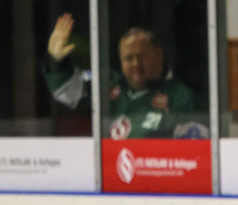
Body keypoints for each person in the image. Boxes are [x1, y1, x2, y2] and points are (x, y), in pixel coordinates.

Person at [42, 13, 204, 139]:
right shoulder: (109, 87)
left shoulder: (181, 98)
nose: (135, 63)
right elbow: (66, 91)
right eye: (128, 58)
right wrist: (56, 61)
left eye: (142, 56)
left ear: (159, 55)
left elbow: (191, 153)